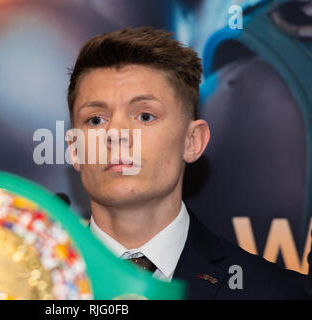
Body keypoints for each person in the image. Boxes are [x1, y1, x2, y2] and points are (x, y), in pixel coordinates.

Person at [65, 26, 309, 299]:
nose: (116, 134)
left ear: (193, 141)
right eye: (96, 120)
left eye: (145, 116)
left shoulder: (277, 294)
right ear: (75, 150)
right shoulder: (21, 286)